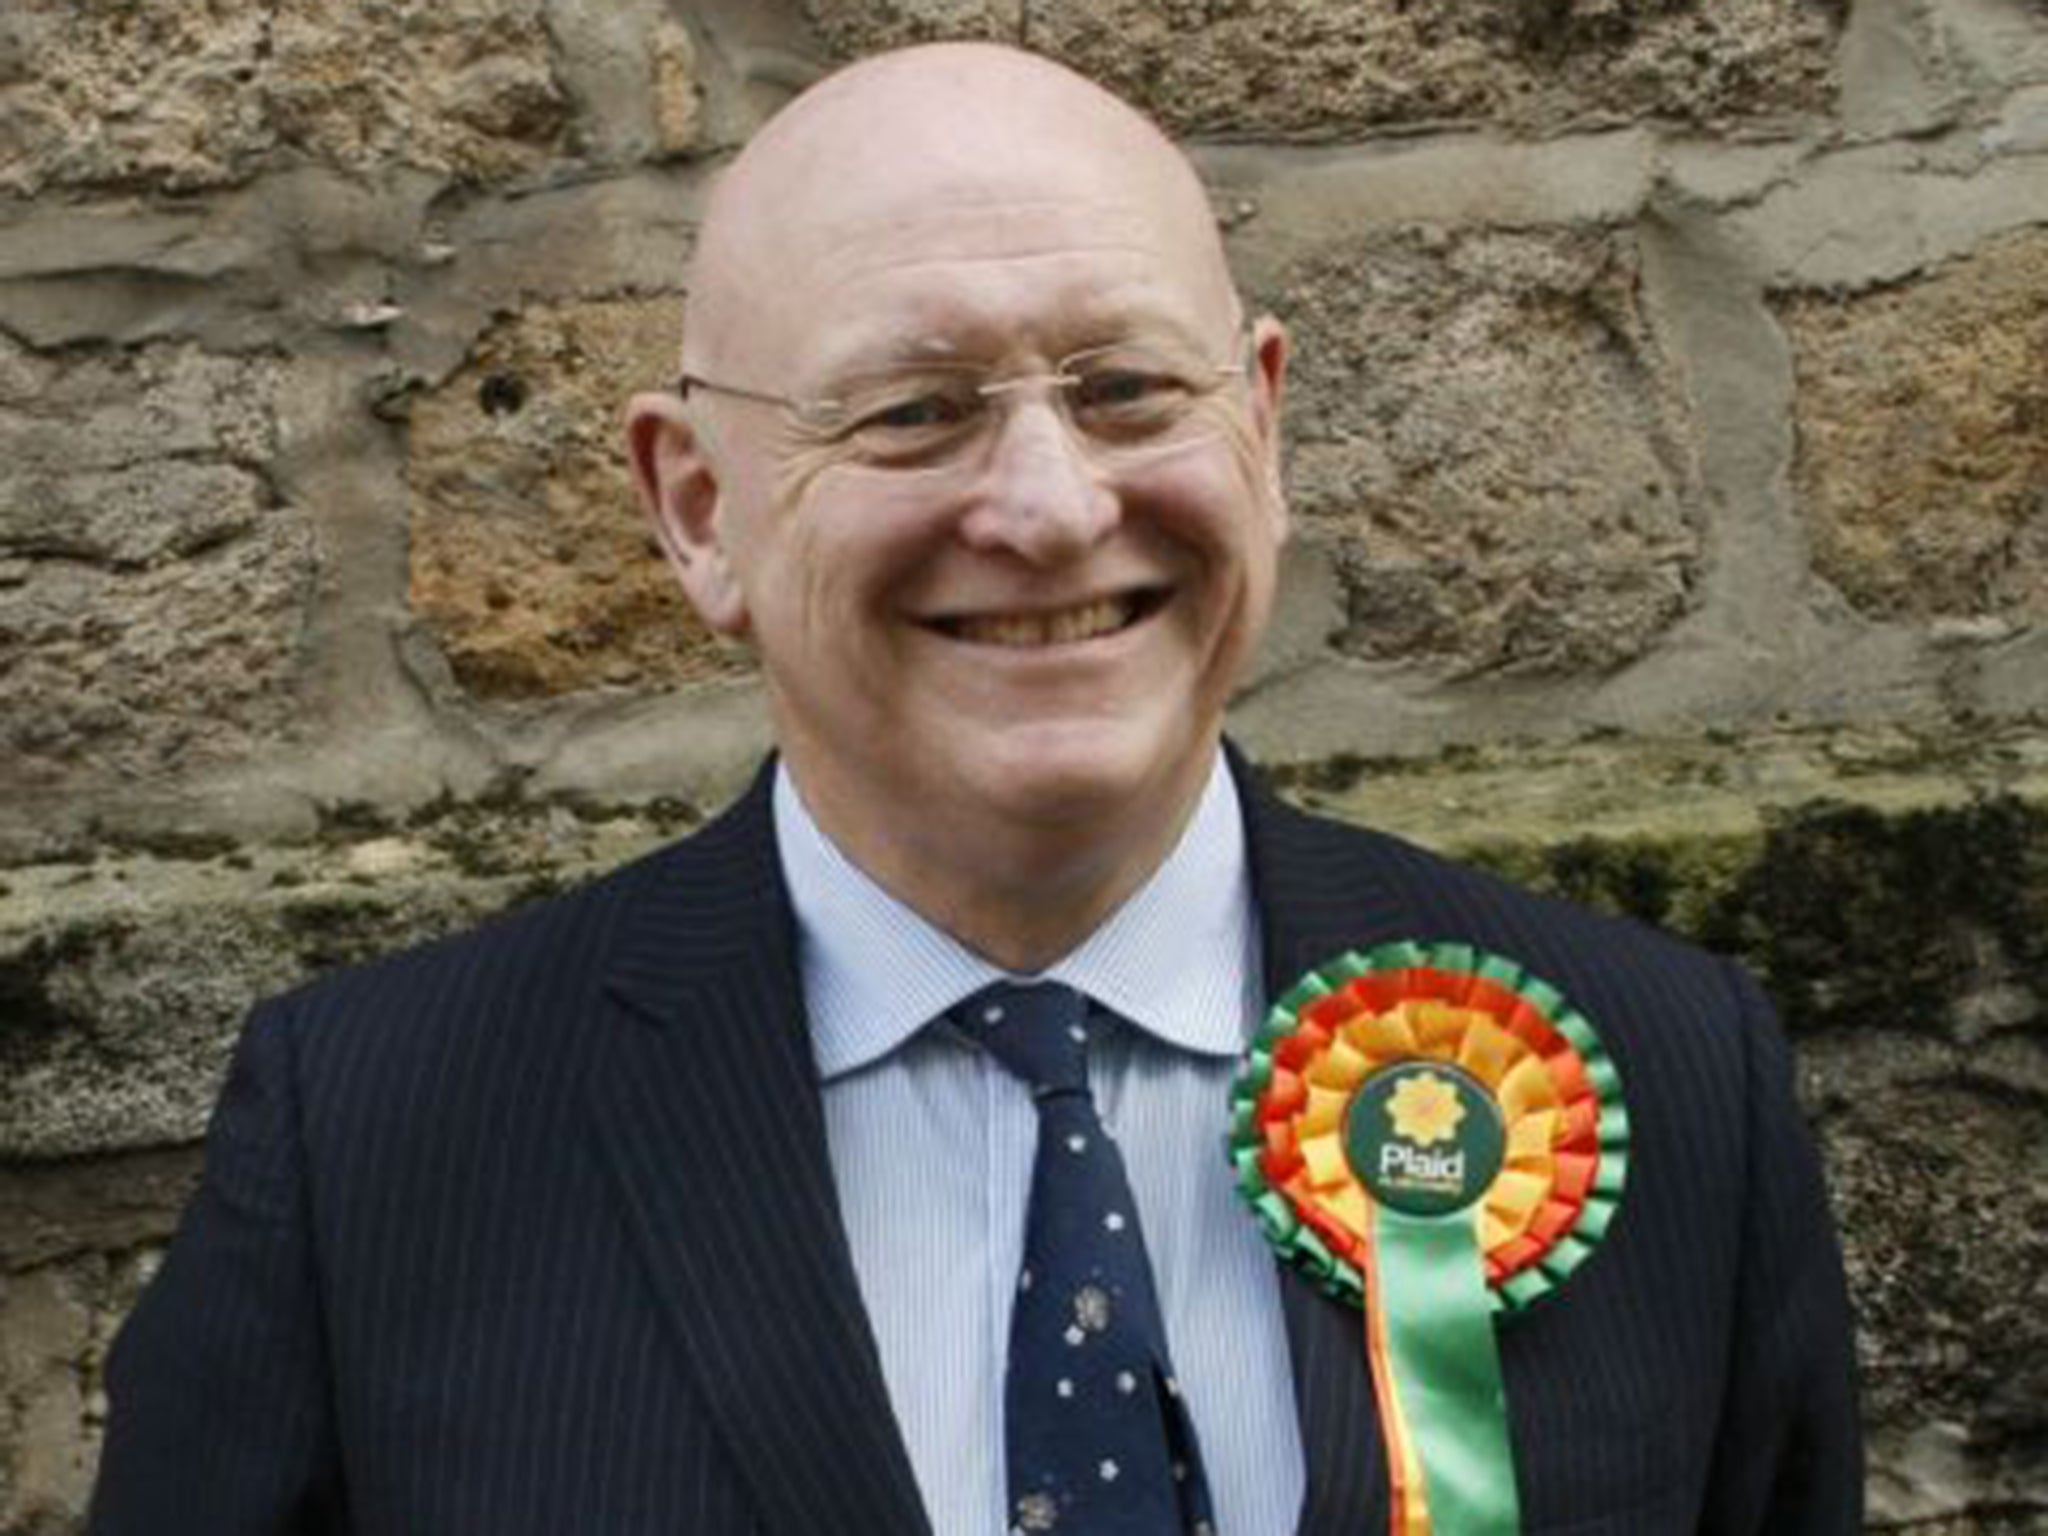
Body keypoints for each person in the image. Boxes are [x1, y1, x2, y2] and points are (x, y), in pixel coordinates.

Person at [89, 41, 1860, 1536]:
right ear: (700, 508)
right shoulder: (378, 1148)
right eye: (915, 412)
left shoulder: (1667, 1081)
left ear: (1261, 423)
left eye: (1124, 388)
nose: (1048, 506)